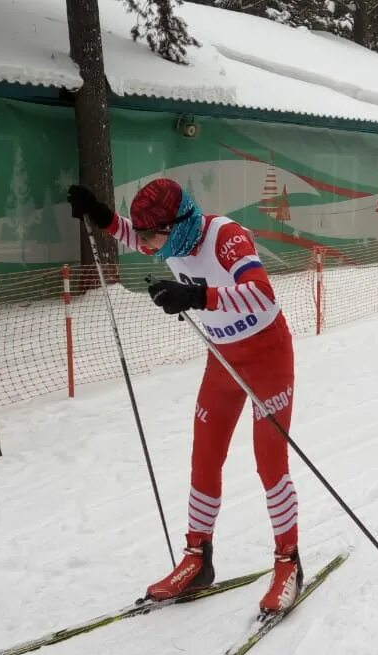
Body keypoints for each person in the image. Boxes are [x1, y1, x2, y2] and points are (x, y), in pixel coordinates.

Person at [66, 178, 303, 614]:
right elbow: (129, 233)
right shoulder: (169, 239)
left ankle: (288, 562)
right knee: (204, 456)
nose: (149, 245)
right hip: (223, 359)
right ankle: (197, 558)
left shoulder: (224, 237)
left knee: (269, 462)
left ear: (177, 225)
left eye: (155, 236)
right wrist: (96, 212)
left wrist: (196, 295)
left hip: (267, 355)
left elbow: (260, 292)